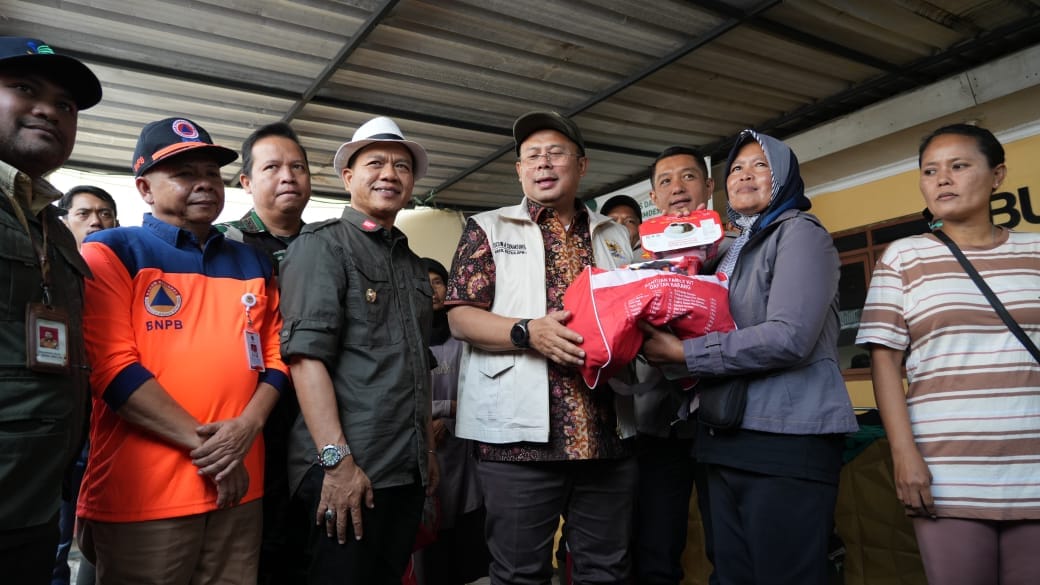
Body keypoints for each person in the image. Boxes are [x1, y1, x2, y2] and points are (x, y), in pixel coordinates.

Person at [639, 129, 858, 585]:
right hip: (724, 434)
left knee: (786, 574)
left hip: (785, 436)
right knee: (732, 573)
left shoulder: (799, 233)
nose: (744, 175)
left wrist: (683, 353)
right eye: (736, 168)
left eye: (761, 166)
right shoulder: (729, 249)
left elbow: (789, 337)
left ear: (784, 177)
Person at [77, 117, 289, 584]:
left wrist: (249, 427)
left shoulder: (252, 262)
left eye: (212, 173)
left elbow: (275, 358)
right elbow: (112, 369)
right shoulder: (110, 251)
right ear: (144, 189)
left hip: (240, 490)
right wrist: (219, 453)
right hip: (147, 495)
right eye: (184, 173)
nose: (205, 183)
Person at [445, 111, 636, 584]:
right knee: (519, 573)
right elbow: (460, 317)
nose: (543, 163)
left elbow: (631, 311)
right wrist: (527, 332)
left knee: (606, 571)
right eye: (532, 156)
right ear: (519, 170)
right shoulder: (488, 227)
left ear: (582, 165)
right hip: (518, 440)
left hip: (606, 433)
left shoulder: (613, 235)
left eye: (555, 154)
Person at [856, 123, 1040, 585]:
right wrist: (904, 455)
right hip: (947, 470)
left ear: (997, 175)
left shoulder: (1036, 252)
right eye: (930, 171)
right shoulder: (903, 258)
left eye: (959, 166)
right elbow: (885, 362)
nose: (942, 179)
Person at [279, 116, 438, 585]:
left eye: (402, 166)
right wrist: (338, 463)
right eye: (375, 163)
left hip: (404, 468)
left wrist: (426, 451)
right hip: (349, 468)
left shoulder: (412, 264)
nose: (390, 174)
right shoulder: (323, 245)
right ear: (348, 177)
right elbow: (306, 360)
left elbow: (416, 366)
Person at [0, 36, 100, 585]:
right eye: (24, 88)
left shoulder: (51, 226)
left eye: (65, 105)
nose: (48, 111)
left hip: (33, 498)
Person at [217, 120, 312, 585]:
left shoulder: (327, 245)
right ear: (247, 182)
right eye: (272, 167)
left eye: (298, 167)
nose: (288, 176)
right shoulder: (222, 242)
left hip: (314, 410)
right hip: (245, 411)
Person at [631, 145, 716, 585]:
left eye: (688, 176)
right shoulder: (637, 262)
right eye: (666, 181)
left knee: (730, 542)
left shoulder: (734, 250)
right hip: (658, 423)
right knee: (658, 546)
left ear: (708, 186)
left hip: (725, 420)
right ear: (654, 197)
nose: (677, 188)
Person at [52, 185, 118, 585]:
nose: (96, 221)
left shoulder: (125, 277)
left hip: (111, 427)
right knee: (56, 540)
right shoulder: (51, 274)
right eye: (84, 213)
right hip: (63, 427)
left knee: (106, 537)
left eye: (105, 213)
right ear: (65, 222)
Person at [418, 257, 490, 585]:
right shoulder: (409, 338)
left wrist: (445, 420)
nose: (433, 289)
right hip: (423, 448)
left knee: (467, 531)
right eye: (425, 282)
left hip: (464, 448)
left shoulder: (464, 335)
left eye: (438, 281)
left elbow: (480, 392)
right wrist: (444, 410)